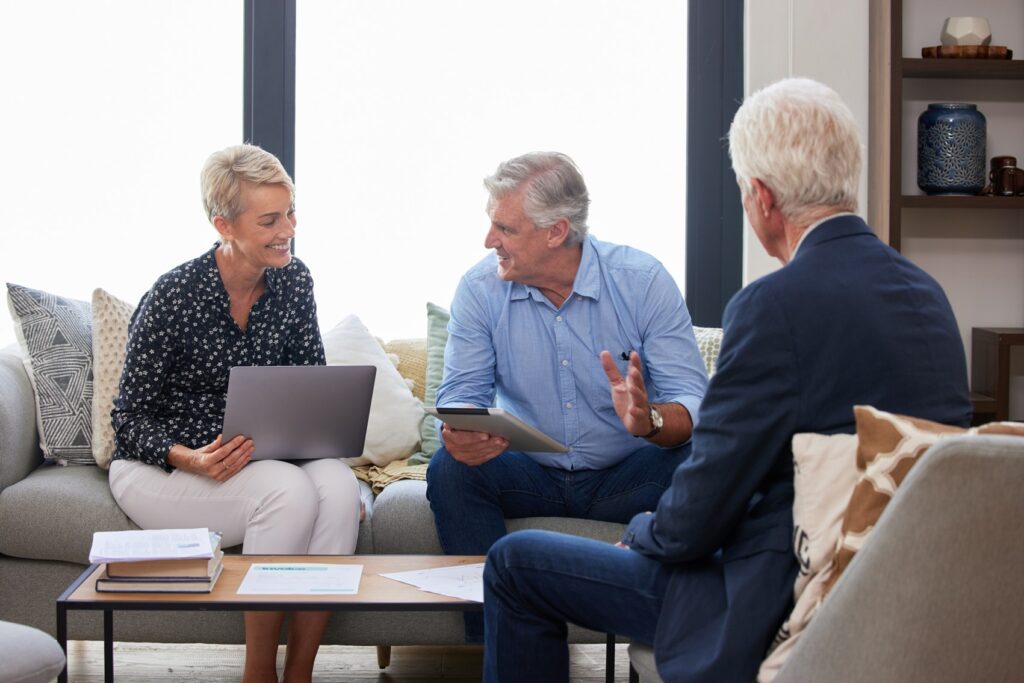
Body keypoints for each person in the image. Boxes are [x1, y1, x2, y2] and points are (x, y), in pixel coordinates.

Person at [481, 78, 973, 682]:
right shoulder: (929, 298)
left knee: (514, 563)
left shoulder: (775, 306)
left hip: (776, 592)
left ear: (761, 197)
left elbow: (699, 512)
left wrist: (641, 534)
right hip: (911, 590)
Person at [426, 151, 708, 641]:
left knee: (703, 464)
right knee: (450, 471)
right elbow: (459, 398)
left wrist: (651, 421)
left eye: (505, 229)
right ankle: (501, 640)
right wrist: (459, 433)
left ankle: (670, 626)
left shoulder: (642, 282)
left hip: (629, 472)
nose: (489, 240)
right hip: (531, 471)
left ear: (556, 231)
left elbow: (693, 405)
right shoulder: (479, 289)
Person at [109, 144, 362, 683]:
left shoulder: (294, 282)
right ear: (223, 224)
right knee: (286, 491)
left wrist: (327, 445)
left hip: (259, 463)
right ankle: (257, 674)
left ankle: (300, 673)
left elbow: (309, 387)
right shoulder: (173, 294)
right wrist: (190, 459)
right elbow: (128, 421)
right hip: (163, 470)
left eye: (290, 212)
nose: (287, 229)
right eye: (270, 219)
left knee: (339, 488)